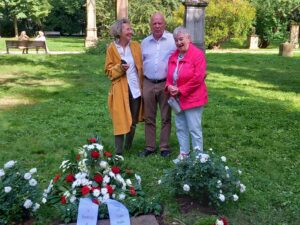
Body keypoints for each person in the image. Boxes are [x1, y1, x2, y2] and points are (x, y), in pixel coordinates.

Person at [165, 26, 208, 163]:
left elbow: (198, 78)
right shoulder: (174, 56)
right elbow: (169, 76)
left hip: (193, 99)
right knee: (180, 127)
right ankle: (184, 154)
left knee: (194, 129)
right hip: (178, 99)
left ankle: (197, 157)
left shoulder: (197, 55)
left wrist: (181, 90)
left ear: (188, 38)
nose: (178, 42)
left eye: (181, 39)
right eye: (176, 40)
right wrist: (169, 86)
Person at [139, 12, 176, 158]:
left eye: (160, 23)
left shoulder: (172, 40)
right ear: (150, 25)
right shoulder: (144, 42)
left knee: (166, 116)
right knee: (149, 117)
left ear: (164, 24)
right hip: (148, 82)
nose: (157, 26)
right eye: (154, 23)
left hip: (165, 83)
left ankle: (164, 147)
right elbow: (140, 63)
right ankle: (150, 146)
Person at [104, 18, 143, 155]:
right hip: (120, 90)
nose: (131, 31)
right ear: (119, 32)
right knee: (120, 120)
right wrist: (120, 68)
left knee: (132, 120)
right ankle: (119, 152)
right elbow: (108, 71)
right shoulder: (112, 48)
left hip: (136, 89)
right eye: (128, 29)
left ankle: (128, 146)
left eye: (131, 29)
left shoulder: (136, 46)